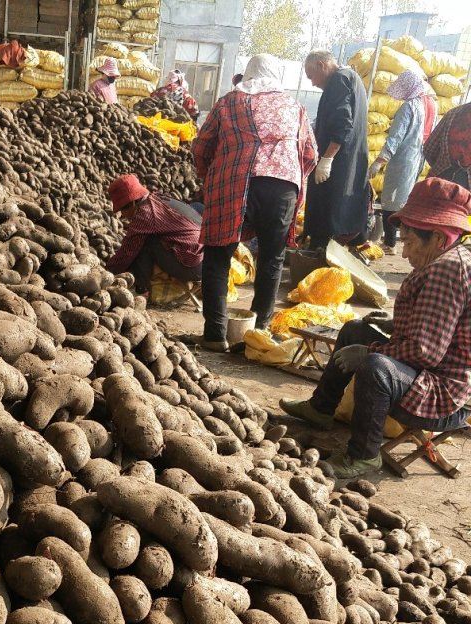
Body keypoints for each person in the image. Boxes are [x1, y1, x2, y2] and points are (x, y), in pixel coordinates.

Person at [279, 177, 471, 479]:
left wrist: (369, 351)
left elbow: (425, 351)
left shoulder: (446, 269)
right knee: (355, 328)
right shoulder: (449, 258)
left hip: (442, 393)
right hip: (429, 370)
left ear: (436, 236)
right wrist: (395, 323)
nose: (404, 254)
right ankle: (320, 408)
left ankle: (364, 456)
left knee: (375, 366)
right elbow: (444, 324)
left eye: (408, 242)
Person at [192, 53, 318, 352]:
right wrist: (291, 174)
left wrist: (210, 176)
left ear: (247, 75)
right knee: (271, 259)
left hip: (234, 183)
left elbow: (201, 147)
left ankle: (215, 335)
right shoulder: (294, 106)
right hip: (283, 188)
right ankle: (258, 333)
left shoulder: (229, 102)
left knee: (218, 257)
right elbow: (310, 153)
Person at [302, 50, 369, 249]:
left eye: (311, 76)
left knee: (327, 214)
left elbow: (342, 124)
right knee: (340, 213)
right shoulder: (352, 78)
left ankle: (321, 260)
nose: (312, 83)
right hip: (349, 162)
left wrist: (327, 159)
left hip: (339, 163)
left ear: (322, 65)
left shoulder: (339, 81)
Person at [370, 70, 437, 252]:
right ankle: (402, 241)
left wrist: (380, 160)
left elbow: (395, 137)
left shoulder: (409, 107)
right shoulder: (431, 104)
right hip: (419, 159)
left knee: (390, 200)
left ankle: (390, 243)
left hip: (403, 159)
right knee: (405, 200)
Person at [106, 173, 203, 297]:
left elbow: (127, 252)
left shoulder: (144, 215)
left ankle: (142, 290)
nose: (123, 216)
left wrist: (108, 271)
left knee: (145, 242)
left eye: (123, 210)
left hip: (195, 266)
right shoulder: (156, 198)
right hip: (208, 257)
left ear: (133, 203)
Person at [424, 101, 471, 191]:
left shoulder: (453, 113)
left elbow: (429, 149)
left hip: (437, 182)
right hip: (466, 196)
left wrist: (443, 162)